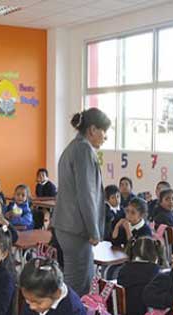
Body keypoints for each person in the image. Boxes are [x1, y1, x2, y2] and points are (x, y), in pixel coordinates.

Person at [51, 108, 110, 295]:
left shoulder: (73, 147)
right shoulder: (83, 150)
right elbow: (87, 194)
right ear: (92, 129)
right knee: (79, 285)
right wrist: (94, 230)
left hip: (66, 225)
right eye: (104, 131)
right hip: (76, 228)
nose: (105, 137)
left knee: (77, 279)